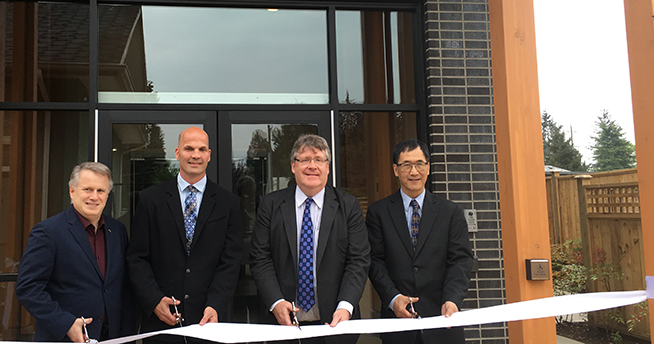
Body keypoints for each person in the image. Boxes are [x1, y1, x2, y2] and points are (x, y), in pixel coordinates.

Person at [250, 134, 370, 344]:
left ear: (328, 167)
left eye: (319, 160)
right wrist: (276, 302)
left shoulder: (348, 206)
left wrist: (346, 305)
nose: (312, 166)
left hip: (335, 323)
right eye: (305, 160)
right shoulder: (271, 205)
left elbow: (358, 260)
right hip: (283, 324)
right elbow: (260, 258)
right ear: (293, 166)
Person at [126, 127, 242, 343]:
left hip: (211, 322)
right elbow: (137, 258)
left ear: (209, 154)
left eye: (201, 149)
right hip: (163, 323)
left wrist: (215, 304)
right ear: (178, 153)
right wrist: (154, 300)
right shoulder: (150, 200)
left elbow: (231, 262)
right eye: (189, 148)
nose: (195, 155)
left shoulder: (229, 204)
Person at [366, 139, 474, 344]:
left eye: (419, 164)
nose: (413, 171)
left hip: (443, 320)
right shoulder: (378, 212)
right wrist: (392, 298)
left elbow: (461, 260)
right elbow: (374, 261)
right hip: (398, 324)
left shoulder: (450, 212)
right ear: (396, 170)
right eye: (406, 165)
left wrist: (452, 299)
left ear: (428, 168)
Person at [16, 162, 134, 342]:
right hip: (66, 337)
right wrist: (65, 323)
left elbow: (122, 286)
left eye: (100, 191)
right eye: (87, 189)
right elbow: (28, 288)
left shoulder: (117, 231)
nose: (94, 197)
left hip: (112, 337)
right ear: (72, 191)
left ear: (107, 195)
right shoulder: (49, 232)